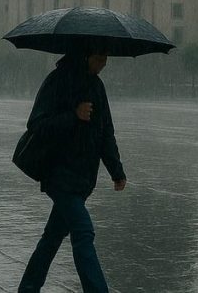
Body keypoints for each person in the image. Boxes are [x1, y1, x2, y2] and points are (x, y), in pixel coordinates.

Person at [18, 48, 126, 293]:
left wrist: (116, 170)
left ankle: (28, 287)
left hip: (83, 178)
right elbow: (36, 124)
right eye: (99, 58)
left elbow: (105, 132)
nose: (103, 64)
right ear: (85, 55)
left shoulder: (97, 87)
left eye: (106, 58)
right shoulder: (57, 81)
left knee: (53, 237)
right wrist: (73, 115)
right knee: (83, 231)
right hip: (58, 173)